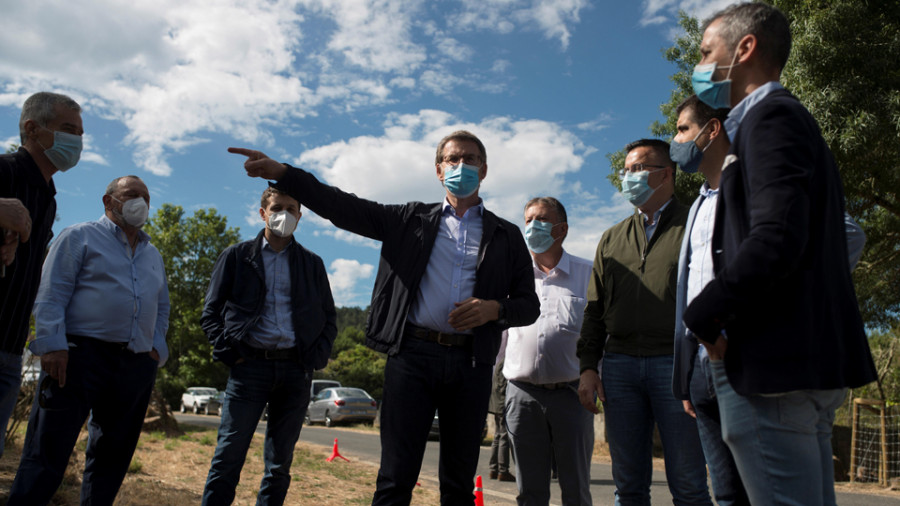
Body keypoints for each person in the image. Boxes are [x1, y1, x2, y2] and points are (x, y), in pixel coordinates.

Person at [228, 129, 540, 505]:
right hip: (412, 359)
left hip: (471, 364)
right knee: (395, 479)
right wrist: (285, 173)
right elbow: (340, 205)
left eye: (470, 159)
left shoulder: (506, 235)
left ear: (484, 170)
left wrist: (495, 309)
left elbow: (529, 305)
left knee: (458, 483)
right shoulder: (408, 220)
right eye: (452, 159)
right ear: (439, 170)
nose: (461, 166)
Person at [682, 4, 877, 504]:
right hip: (798, 362)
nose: (700, 65)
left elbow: (776, 237)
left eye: (707, 53)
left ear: (745, 49)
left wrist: (703, 314)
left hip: (771, 363)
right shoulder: (784, 121)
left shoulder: (770, 118)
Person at [9, 175, 168, 505]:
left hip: (135, 365)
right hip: (79, 357)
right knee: (47, 452)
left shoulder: (153, 254)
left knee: (112, 457)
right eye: (132, 195)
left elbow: (162, 305)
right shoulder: (79, 237)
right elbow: (52, 292)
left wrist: (157, 349)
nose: (141, 202)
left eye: (146, 197)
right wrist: (52, 344)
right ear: (109, 202)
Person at [576, 139, 711, 505]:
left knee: (688, 483)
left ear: (666, 173)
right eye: (626, 170)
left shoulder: (694, 224)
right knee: (629, 485)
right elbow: (594, 310)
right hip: (619, 369)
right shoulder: (611, 238)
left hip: (676, 367)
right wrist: (589, 367)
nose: (629, 177)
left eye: (639, 169)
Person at [201, 186, 337, 505]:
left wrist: (314, 359)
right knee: (228, 458)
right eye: (278, 208)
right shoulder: (236, 256)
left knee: (279, 465)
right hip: (249, 368)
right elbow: (211, 312)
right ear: (263, 212)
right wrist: (230, 354)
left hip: (295, 371)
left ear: (300, 216)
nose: (285, 215)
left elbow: (330, 318)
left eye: (292, 209)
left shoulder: (312, 264)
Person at [0, 92, 82, 458]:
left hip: (10, 346)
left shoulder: (47, 197)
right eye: (67, 130)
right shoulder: (6, 171)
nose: (76, 142)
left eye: (80, 134)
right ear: (32, 129)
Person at [504, 196, 593, 505]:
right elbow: (499, 337)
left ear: (561, 229)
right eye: (528, 220)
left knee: (576, 488)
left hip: (572, 395)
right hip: (521, 395)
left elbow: (601, 335)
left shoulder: (588, 274)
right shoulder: (511, 277)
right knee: (529, 492)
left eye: (540, 220)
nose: (532, 226)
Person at [488, 352, 514, 483]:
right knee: (503, 437)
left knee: (498, 436)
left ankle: (494, 469)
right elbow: (503, 386)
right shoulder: (507, 362)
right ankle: (502, 470)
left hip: (497, 404)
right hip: (502, 404)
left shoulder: (501, 361)